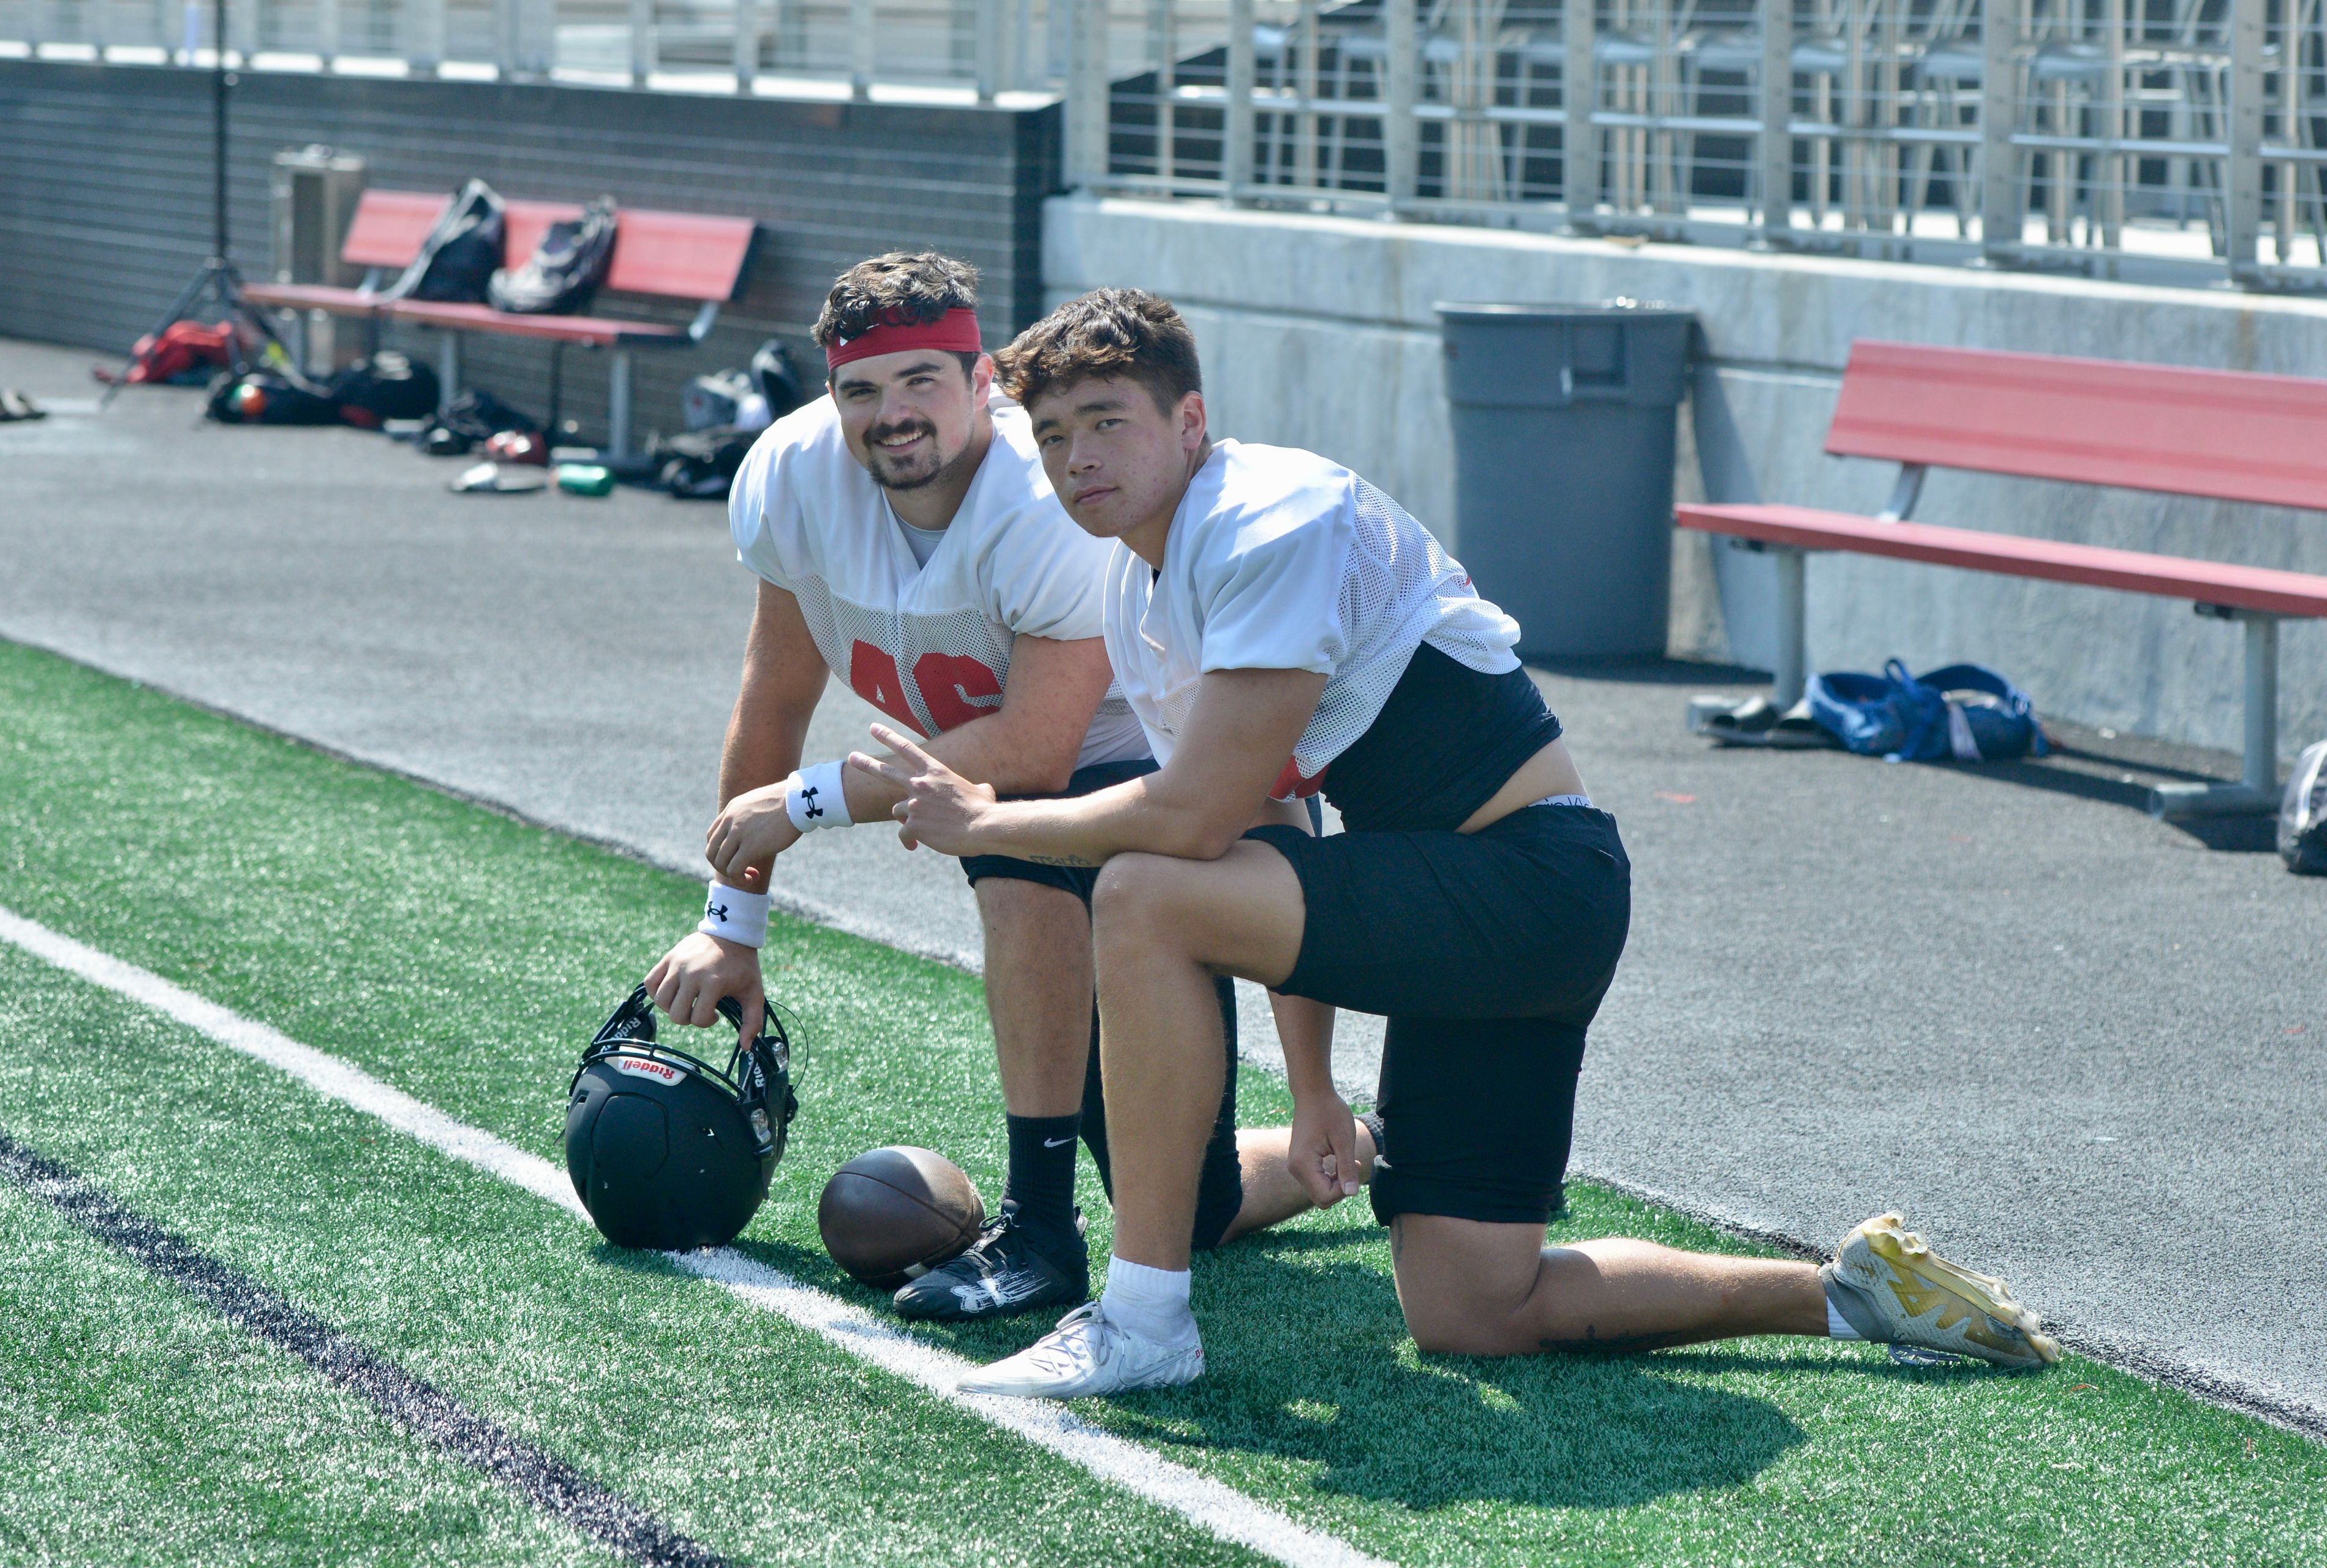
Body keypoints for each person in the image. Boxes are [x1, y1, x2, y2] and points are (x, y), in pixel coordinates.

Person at [856, 287, 2063, 1396]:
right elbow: (1273, 818)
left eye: (1106, 421)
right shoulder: (1141, 586)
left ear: (1190, 419)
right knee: (1478, 1310)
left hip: (1525, 882)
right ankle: (1848, 1291)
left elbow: (1190, 824)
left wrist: (985, 818)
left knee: (1139, 888)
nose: (1077, 459)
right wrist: (1319, 1092)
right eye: (1054, 435)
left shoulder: (1266, 513)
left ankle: (1144, 1318)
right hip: (1478, 908)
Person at [643, 255, 1368, 1322]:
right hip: (998, 781)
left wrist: (817, 798)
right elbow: (773, 701)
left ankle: (1036, 1226)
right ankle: (1373, 1141)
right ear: (829, 394)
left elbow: (1034, 748)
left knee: (1010, 835)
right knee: (1199, 1205)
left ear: (980, 379)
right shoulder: (793, 477)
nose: (892, 416)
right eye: (861, 390)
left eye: (921, 382)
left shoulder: (1041, 495)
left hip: (1146, 773)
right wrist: (730, 924)